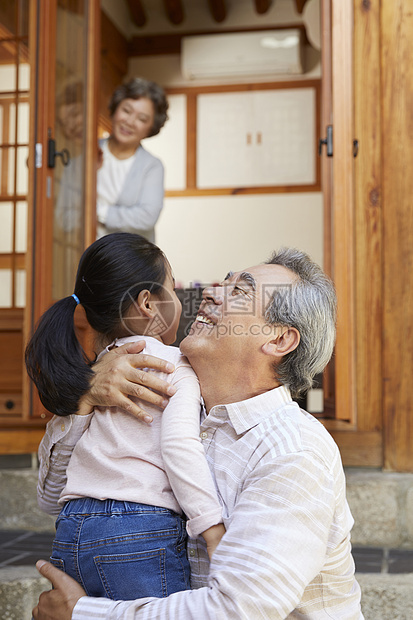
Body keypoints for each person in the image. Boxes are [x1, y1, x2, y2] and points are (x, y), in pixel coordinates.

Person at [32, 248, 364, 619]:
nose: (210, 292)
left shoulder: (293, 451)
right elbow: (50, 499)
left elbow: (236, 610)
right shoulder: (161, 398)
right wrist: (85, 401)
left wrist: (82, 614)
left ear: (279, 340)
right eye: (223, 281)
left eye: (239, 292)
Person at [25, 232, 224, 601]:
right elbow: (180, 447)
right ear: (148, 303)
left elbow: (50, 499)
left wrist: (78, 403)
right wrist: (212, 529)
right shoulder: (174, 365)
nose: (179, 299)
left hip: (71, 531)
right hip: (140, 531)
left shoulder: (86, 377)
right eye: (173, 287)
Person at [96, 78, 169, 242]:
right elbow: (65, 211)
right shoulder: (86, 151)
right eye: (126, 110)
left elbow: (146, 217)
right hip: (81, 254)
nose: (129, 122)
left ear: (151, 128)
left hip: (130, 261)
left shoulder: (152, 166)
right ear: (115, 109)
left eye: (142, 119)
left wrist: (98, 212)